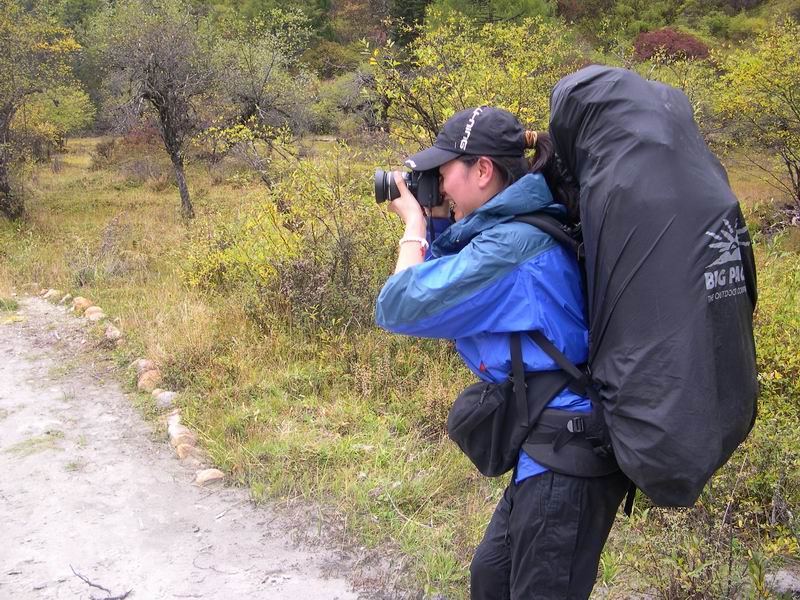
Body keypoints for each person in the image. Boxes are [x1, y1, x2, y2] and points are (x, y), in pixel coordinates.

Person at [374, 106, 630, 599]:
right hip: (549, 448)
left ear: (483, 170)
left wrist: (414, 226)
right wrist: (441, 224)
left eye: (444, 171)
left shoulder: (511, 247)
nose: (438, 185)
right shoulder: (510, 232)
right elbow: (454, 275)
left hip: (567, 456)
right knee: (491, 578)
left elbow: (398, 305)